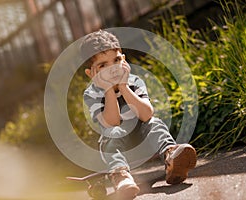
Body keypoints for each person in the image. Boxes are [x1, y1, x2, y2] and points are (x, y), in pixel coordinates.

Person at [81, 30, 197, 199]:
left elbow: (146, 114)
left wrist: (123, 86)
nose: (113, 68)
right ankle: (121, 177)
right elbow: (111, 122)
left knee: (154, 123)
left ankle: (171, 157)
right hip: (118, 147)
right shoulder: (92, 93)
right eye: (103, 65)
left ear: (124, 59)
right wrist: (109, 90)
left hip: (143, 140)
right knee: (111, 133)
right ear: (91, 74)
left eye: (116, 60)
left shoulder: (134, 81)